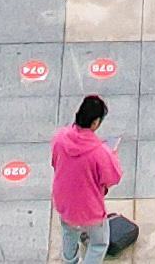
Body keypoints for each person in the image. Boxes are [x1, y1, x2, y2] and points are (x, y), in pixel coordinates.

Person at [50, 93, 137, 261]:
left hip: (65, 202)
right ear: (95, 122)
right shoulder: (100, 152)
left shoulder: (60, 138)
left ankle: (69, 260)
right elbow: (113, 177)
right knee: (98, 244)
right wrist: (112, 156)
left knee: (69, 233)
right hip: (89, 208)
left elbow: (55, 162)